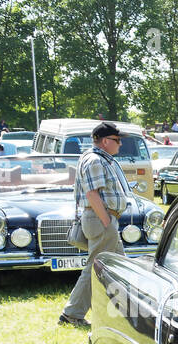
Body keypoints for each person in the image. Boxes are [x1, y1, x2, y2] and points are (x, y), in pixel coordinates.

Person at [59, 123, 131, 329]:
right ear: (106, 141)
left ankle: (126, 311)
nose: (120, 144)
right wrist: (107, 222)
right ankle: (72, 313)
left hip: (102, 219)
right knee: (95, 268)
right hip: (101, 220)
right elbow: (92, 194)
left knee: (119, 266)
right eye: (117, 140)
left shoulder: (98, 158)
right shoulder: (95, 160)